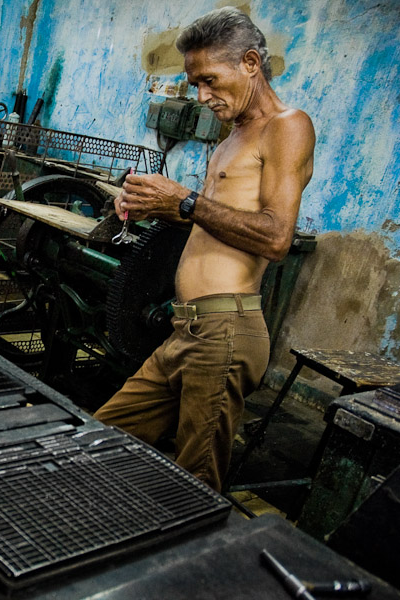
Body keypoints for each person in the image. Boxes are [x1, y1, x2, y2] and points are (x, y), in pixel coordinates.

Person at [92, 7, 315, 492]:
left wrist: (185, 200)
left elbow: (276, 237)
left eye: (210, 81)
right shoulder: (233, 138)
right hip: (186, 328)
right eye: (195, 84)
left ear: (251, 63)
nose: (202, 96)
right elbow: (211, 223)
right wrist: (153, 205)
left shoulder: (287, 125)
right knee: (100, 440)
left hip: (224, 331)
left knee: (194, 483)